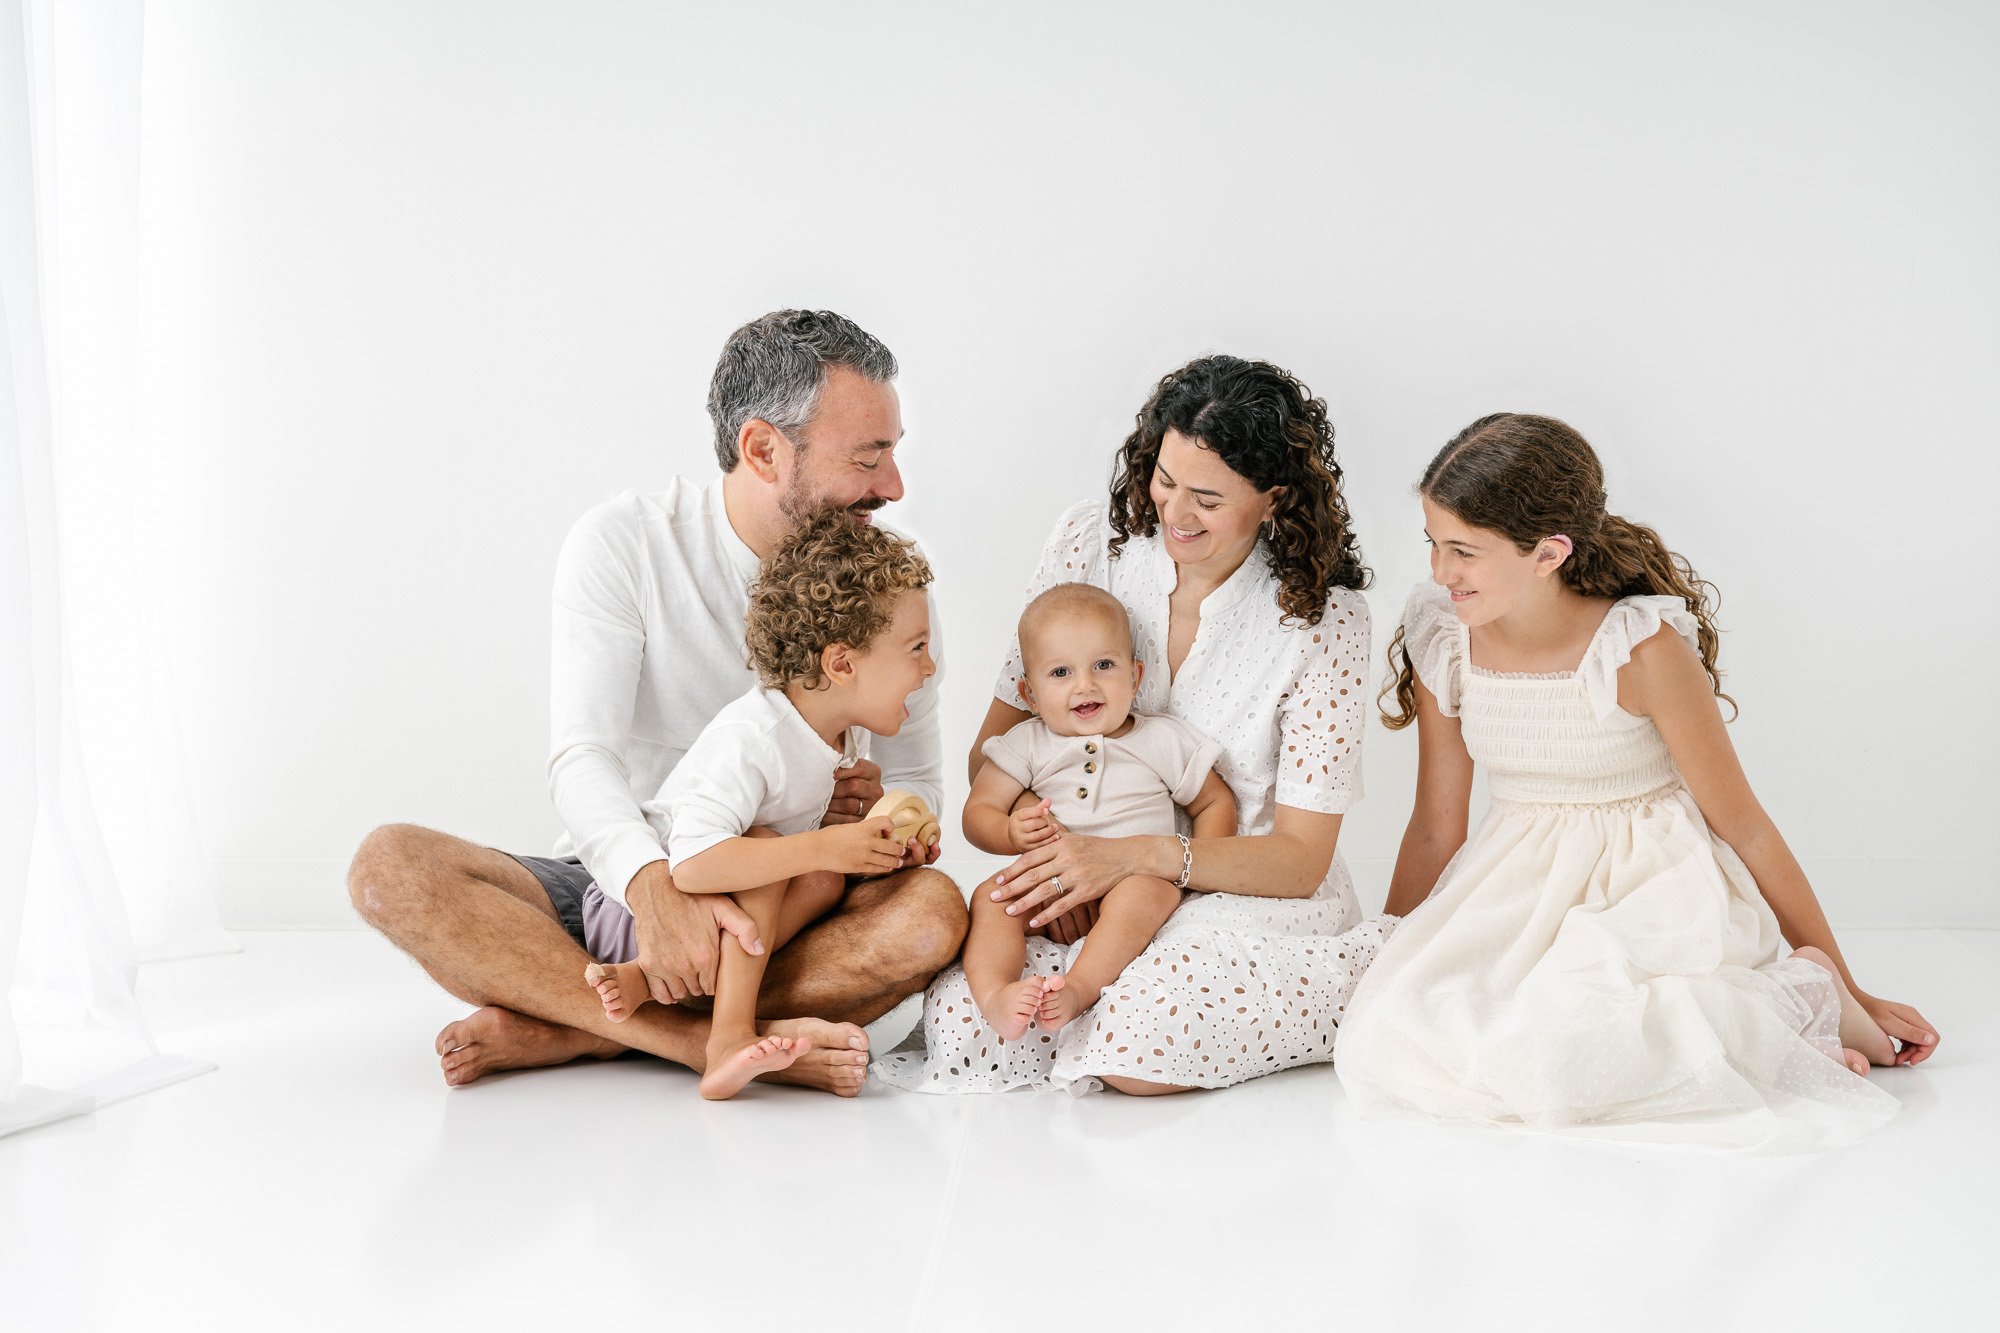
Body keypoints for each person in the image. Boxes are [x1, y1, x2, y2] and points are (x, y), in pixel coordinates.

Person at [346, 310, 966, 1097]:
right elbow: (583, 758)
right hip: (615, 888)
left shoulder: (892, 593)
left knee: (934, 914)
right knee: (389, 867)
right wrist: (652, 884)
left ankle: (576, 1027)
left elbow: (920, 782)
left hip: (786, 905)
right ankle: (690, 1041)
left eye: (893, 454)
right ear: (764, 449)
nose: (893, 486)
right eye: (869, 456)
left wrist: (886, 820)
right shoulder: (626, 542)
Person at [1335, 412, 1937, 1148]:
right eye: (1433, 542)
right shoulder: (1446, 634)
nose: (1439, 570)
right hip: (1515, 890)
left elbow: (1742, 823)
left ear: (1548, 553)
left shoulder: (1638, 649)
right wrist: (1388, 951)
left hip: (1650, 888)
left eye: (1463, 550)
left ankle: (1806, 993)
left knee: (1580, 1044)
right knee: (1407, 1026)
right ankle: (1772, 1034)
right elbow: (1437, 823)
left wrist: (1855, 982)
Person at [878, 355, 1391, 1096]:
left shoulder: (1326, 621)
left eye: (1208, 498)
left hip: (1243, 895)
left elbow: (1299, 859)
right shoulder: (1090, 543)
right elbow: (996, 754)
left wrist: (1132, 861)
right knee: (969, 1024)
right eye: (1165, 479)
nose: (1175, 514)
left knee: (1140, 1046)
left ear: (1274, 498)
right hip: (1087, 883)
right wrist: (1061, 856)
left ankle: (1339, 981)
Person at [581, 511, 937, 1098]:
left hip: (722, 918)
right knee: (776, 848)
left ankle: (651, 986)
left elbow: (814, 848)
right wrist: (823, 842)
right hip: (643, 915)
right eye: (917, 648)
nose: (930, 667)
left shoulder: (847, 733)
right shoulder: (756, 738)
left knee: (824, 877)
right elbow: (691, 865)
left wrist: (870, 841)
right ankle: (726, 1037)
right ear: (842, 664)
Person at [950, 582, 1238, 1043]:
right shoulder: (1025, 743)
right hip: (1051, 885)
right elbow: (977, 811)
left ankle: (1079, 988)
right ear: (1029, 694)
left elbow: (1215, 800)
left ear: (1135, 677)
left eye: (1104, 665)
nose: (1085, 684)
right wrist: (1008, 833)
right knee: (992, 898)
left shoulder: (1162, 739)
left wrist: (1203, 868)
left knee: (1144, 895)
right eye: (1060, 672)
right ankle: (995, 996)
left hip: (1133, 879)